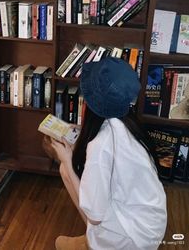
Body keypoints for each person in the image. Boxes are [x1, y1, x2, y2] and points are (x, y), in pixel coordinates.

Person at [43, 57, 167, 250]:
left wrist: (67, 160)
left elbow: (95, 217)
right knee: (70, 172)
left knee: (66, 170)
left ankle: (93, 244)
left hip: (134, 239)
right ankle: (93, 240)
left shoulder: (101, 145)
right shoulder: (127, 124)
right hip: (150, 225)